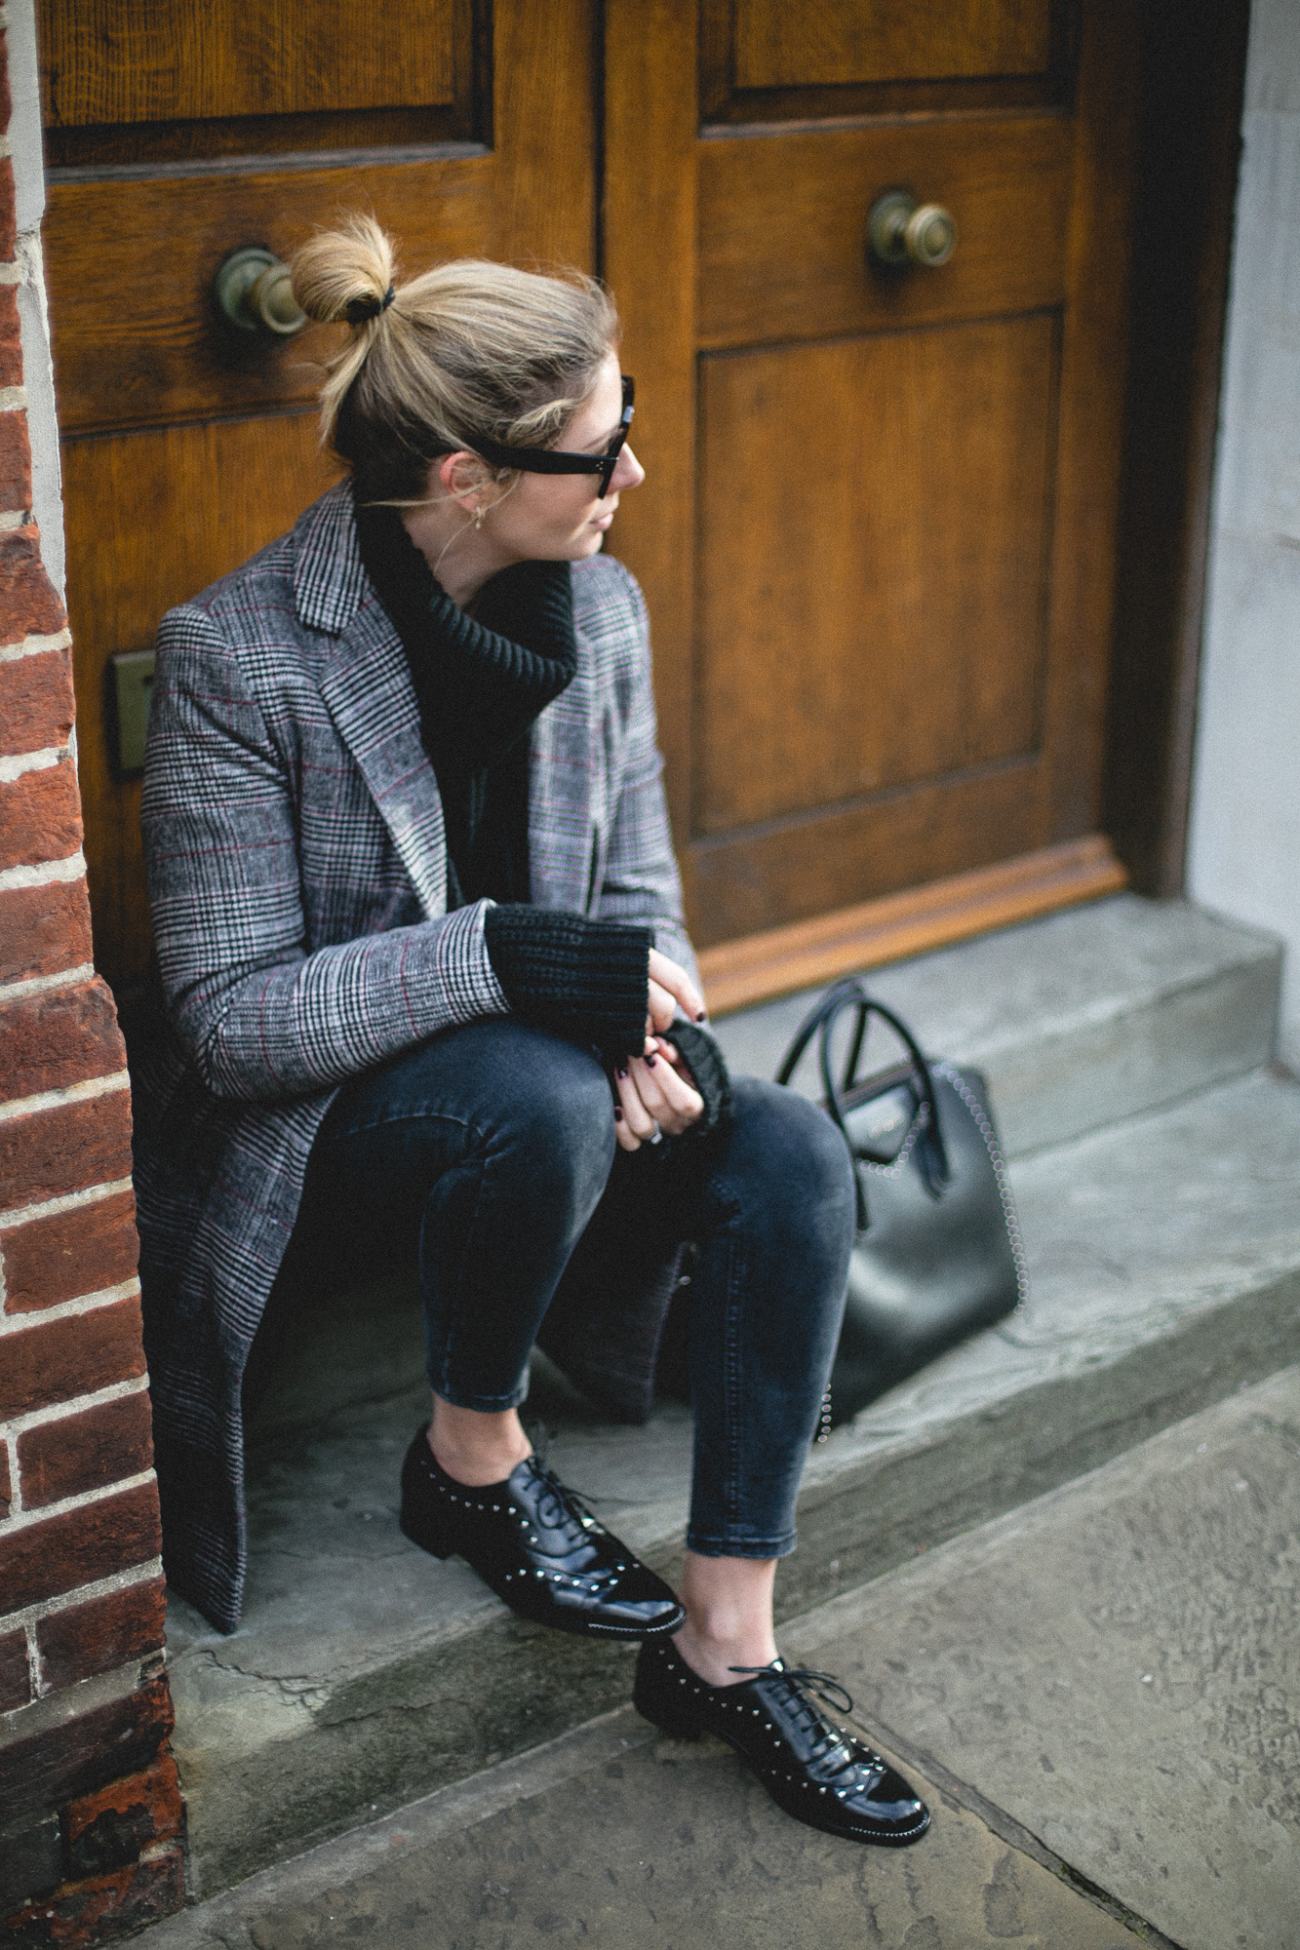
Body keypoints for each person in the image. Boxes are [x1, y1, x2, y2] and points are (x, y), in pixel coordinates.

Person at [134, 214, 930, 1848]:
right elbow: (226, 1026)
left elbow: (642, 895)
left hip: (551, 1100)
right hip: (345, 1141)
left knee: (779, 1142)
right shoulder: (242, 659)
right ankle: (471, 1461)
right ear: (462, 481)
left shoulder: (604, 611)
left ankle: (726, 1644)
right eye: (598, 448)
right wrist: (508, 957)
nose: (632, 471)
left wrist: (669, 1031)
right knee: (532, 1093)